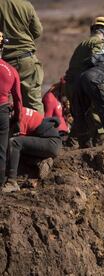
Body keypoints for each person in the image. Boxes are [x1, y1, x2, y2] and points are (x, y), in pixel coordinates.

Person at [65, 17, 104, 146]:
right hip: (83, 86)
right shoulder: (100, 42)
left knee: (81, 118)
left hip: (72, 85)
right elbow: (96, 62)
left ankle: (74, 145)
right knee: (96, 117)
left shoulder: (84, 43)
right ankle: (96, 147)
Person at [2, 107, 62, 192]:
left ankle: (11, 183)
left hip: (51, 142)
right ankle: (41, 162)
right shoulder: (19, 111)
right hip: (49, 142)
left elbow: (15, 143)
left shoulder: (19, 117)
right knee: (16, 151)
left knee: (14, 142)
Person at [0, 0, 44, 113]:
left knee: (3, 105)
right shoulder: (26, 5)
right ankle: (38, 129)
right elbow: (37, 31)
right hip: (26, 60)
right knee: (33, 105)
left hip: (4, 65)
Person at [0, 31, 23, 189]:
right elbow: (18, 100)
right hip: (2, 112)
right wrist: (18, 119)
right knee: (1, 149)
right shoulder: (10, 70)